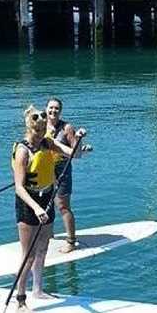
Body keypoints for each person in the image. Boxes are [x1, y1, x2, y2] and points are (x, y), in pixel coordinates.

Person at [11, 104, 85, 313]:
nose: (41, 133)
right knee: (29, 255)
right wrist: (36, 209)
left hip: (47, 198)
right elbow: (18, 188)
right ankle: (20, 301)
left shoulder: (47, 143)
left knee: (43, 248)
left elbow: (75, 155)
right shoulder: (23, 151)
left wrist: (78, 139)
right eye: (38, 130)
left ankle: (38, 290)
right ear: (29, 129)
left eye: (44, 130)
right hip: (29, 203)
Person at [45, 97, 93, 253]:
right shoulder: (41, 124)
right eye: (51, 108)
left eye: (56, 108)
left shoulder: (66, 128)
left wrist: (79, 139)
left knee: (63, 206)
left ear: (60, 111)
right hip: (44, 170)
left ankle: (71, 241)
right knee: (46, 205)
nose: (53, 111)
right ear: (46, 109)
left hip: (62, 170)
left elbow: (76, 154)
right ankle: (48, 236)